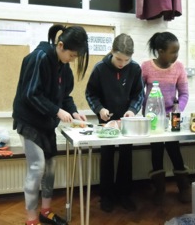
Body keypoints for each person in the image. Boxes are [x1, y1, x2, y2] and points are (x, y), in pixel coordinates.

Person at [12, 24, 89, 225]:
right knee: (36, 167)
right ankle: (31, 220)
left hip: (46, 122)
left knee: (50, 168)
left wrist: (73, 111)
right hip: (28, 120)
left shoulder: (64, 67)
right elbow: (30, 94)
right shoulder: (40, 57)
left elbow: (65, 96)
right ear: (61, 45)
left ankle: (45, 212)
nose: (72, 60)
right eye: (72, 55)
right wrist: (57, 111)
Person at [85, 33, 144, 213]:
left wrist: (132, 110)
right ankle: (107, 196)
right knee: (107, 156)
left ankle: (124, 194)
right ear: (111, 51)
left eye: (126, 60)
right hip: (105, 119)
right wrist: (100, 109)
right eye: (119, 59)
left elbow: (138, 94)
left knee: (126, 156)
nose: (122, 63)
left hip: (126, 120)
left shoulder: (134, 68)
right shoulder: (100, 68)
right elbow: (90, 93)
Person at [141, 32, 190, 205]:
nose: (176, 56)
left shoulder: (179, 68)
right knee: (156, 151)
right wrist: (143, 115)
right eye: (173, 52)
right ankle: (159, 189)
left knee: (175, 150)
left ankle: (184, 187)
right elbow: (139, 94)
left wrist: (179, 108)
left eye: (178, 51)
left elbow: (184, 93)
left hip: (172, 117)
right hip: (153, 118)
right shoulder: (146, 67)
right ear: (160, 51)